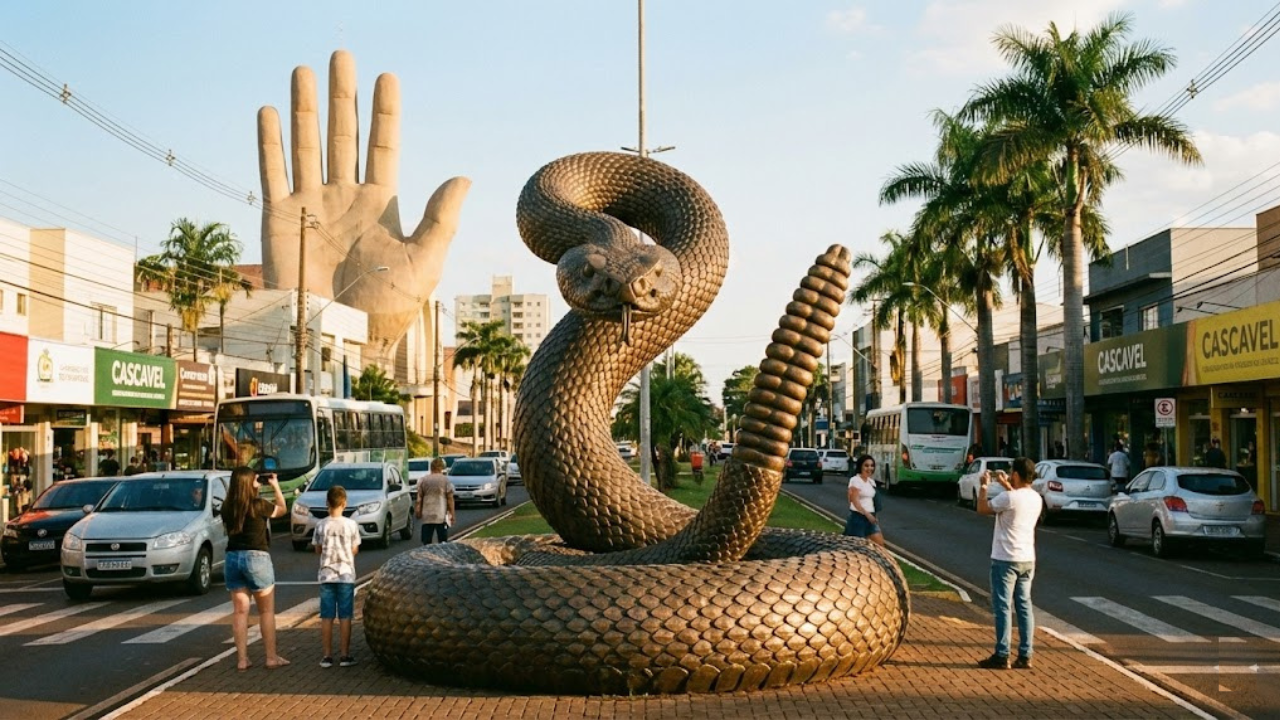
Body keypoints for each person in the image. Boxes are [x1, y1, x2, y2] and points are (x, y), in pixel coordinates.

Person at [976, 456, 1042, 670]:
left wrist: (984, 486)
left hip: (1005, 558)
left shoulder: (1008, 498)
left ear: (1015, 474)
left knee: (1003, 607)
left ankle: (1002, 653)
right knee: (1024, 605)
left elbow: (982, 509)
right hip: (1027, 558)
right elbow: (1017, 501)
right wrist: (1006, 485)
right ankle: (1025, 654)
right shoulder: (1036, 498)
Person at [221, 466, 289, 671]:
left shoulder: (227, 507)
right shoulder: (258, 505)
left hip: (232, 558)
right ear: (249, 483)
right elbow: (282, 509)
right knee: (266, 611)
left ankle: (242, 659)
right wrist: (276, 486)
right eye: (256, 479)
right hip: (257, 558)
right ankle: (271, 657)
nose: (259, 482)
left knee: (240, 612)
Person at [313, 484, 361, 668]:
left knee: (326, 616)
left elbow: (317, 549)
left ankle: (326, 655)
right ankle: (345, 655)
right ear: (344, 503)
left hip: (326, 575)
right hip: (346, 575)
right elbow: (355, 549)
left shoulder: (320, 525)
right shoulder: (351, 525)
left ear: (327, 502)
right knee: (345, 616)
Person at [843, 455, 884, 547]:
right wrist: (867, 514)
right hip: (858, 518)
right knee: (856, 547)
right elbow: (854, 501)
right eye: (866, 465)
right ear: (860, 466)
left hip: (870, 518)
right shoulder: (855, 480)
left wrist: (874, 516)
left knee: (879, 544)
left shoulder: (871, 482)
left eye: (872, 465)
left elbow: (873, 501)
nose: (869, 468)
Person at [414, 458, 455, 545]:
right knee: (443, 542)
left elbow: (419, 499)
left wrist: (418, 511)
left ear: (431, 468)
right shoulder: (445, 480)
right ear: (441, 468)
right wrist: (452, 513)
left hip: (427, 515)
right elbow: (450, 499)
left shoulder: (423, 480)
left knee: (426, 543)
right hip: (441, 515)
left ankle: (427, 556)